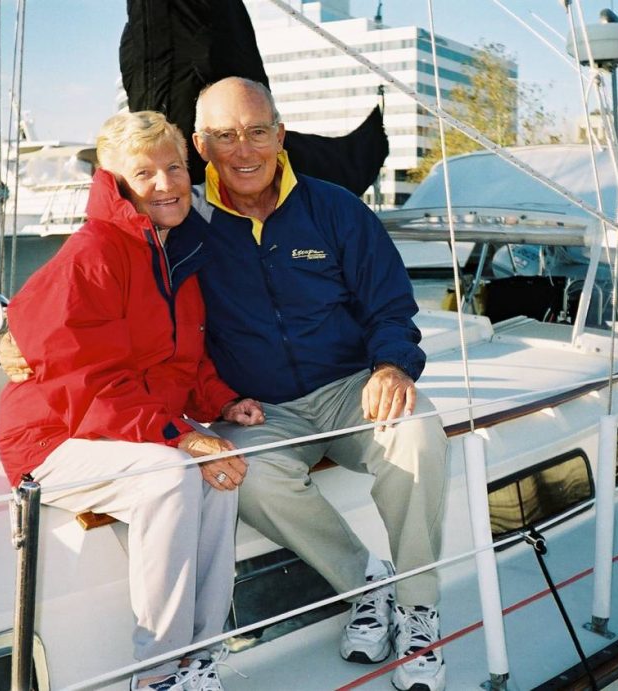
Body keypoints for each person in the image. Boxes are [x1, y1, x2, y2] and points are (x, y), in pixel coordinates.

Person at [191, 77, 450, 691]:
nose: (245, 150)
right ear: (202, 146)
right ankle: (365, 583)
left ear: (280, 135)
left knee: (415, 434)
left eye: (258, 131)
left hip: (349, 386)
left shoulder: (334, 208)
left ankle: (418, 610)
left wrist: (390, 366)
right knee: (240, 471)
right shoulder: (187, 224)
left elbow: (391, 305)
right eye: (226, 135)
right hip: (260, 407)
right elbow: (127, 293)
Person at [0, 110, 264, 691]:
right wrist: (181, 435)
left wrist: (221, 402)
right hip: (54, 437)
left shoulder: (174, 252)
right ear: (114, 181)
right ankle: (159, 673)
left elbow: (182, 359)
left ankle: (199, 655)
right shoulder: (95, 254)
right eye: (146, 173)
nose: (166, 183)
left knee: (219, 476)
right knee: (172, 471)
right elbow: (90, 384)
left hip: (120, 430)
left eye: (174, 168)